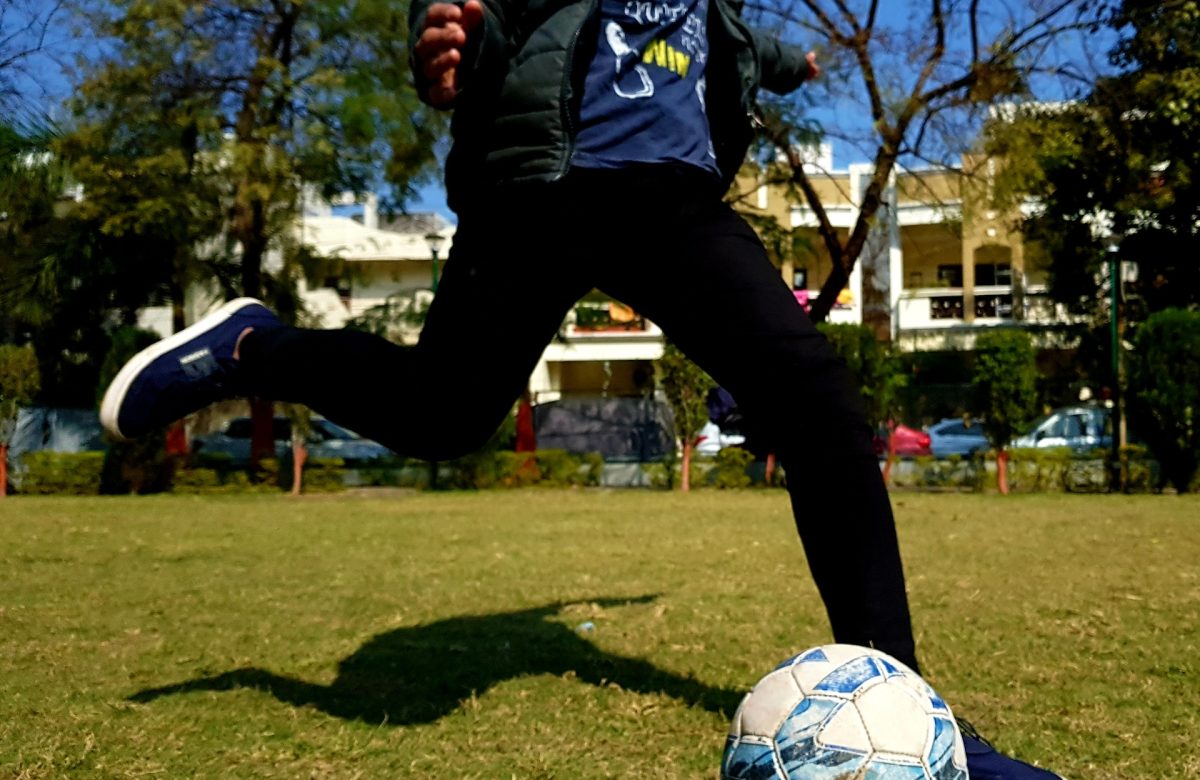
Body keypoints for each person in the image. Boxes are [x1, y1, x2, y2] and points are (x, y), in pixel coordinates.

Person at [99, 0, 1060, 776]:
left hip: (676, 202)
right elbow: (479, 15)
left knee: (822, 409)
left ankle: (912, 717)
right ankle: (253, 349)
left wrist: (792, 64)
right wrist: (450, 41)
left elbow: (737, 38)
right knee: (442, 415)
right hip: (543, 187)